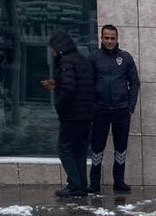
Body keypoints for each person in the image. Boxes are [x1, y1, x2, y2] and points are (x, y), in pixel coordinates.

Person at [89, 24, 140, 194]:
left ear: (117, 39)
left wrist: (130, 107)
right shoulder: (94, 58)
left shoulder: (125, 58)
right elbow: (88, 83)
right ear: (101, 38)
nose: (109, 41)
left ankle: (119, 182)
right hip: (100, 110)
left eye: (112, 38)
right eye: (106, 38)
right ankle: (94, 183)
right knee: (97, 147)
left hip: (121, 111)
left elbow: (134, 83)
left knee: (121, 147)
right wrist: (92, 105)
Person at [44, 31, 94, 198]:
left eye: (52, 49)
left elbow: (69, 90)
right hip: (86, 114)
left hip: (73, 114)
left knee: (65, 149)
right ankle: (81, 184)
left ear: (58, 47)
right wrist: (57, 85)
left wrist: (59, 105)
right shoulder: (81, 60)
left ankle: (75, 184)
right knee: (79, 149)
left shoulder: (66, 62)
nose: (51, 52)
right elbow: (79, 85)